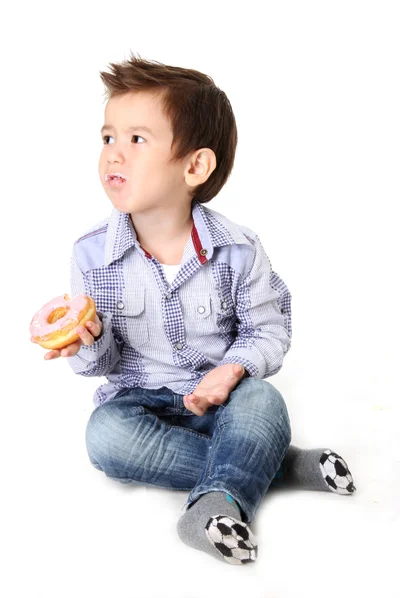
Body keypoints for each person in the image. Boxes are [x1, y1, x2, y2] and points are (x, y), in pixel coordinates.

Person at [32, 53, 356, 565]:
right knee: (105, 439)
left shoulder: (238, 249)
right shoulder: (90, 254)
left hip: (222, 400)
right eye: (108, 137)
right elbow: (96, 366)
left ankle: (211, 507)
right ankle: (281, 466)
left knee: (264, 401)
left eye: (137, 139)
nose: (114, 154)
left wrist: (231, 371)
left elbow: (268, 328)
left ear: (195, 166)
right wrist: (89, 340)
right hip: (139, 405)